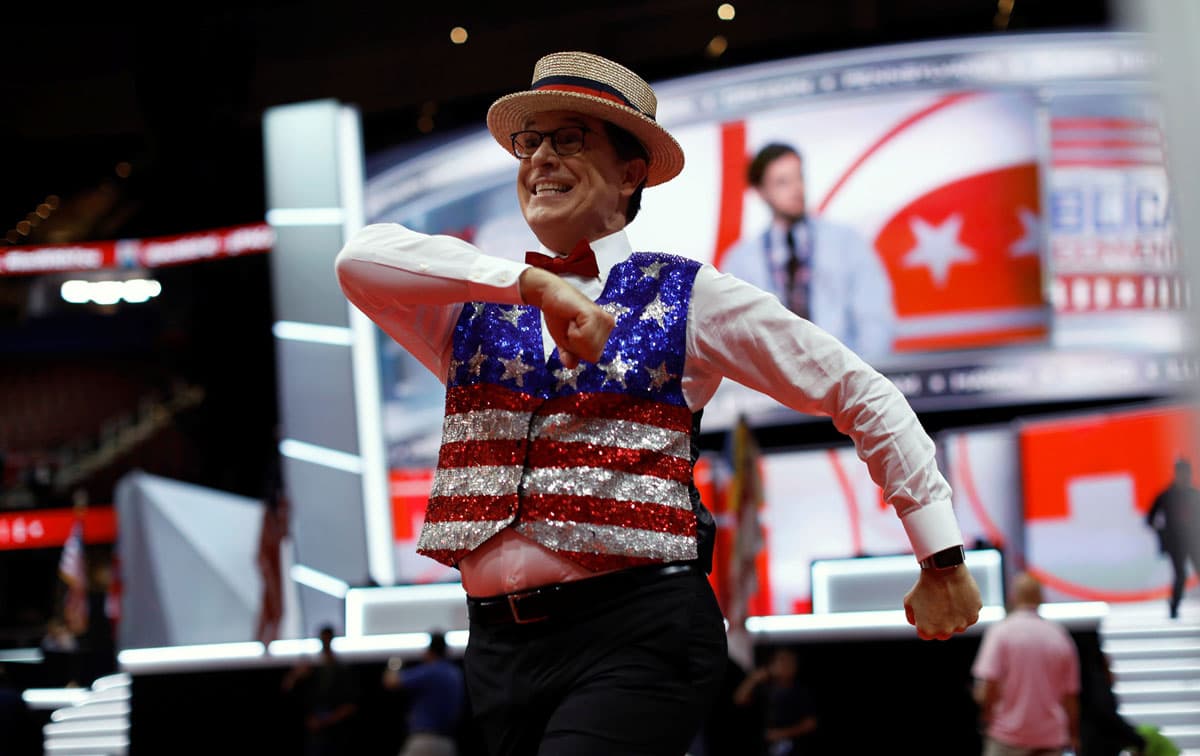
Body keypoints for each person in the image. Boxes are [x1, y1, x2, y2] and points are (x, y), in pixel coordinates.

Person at [335, 50, 982, 756]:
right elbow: (358, 260)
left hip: (639, 632)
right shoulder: (475, 301)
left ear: (631, 170)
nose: (541, 158)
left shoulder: (687, 294)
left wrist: (941, 555)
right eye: (532, 141)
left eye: (570, 138)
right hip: (496, 650)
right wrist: (532, 285)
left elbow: (858, 388)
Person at [718, 142, 896, 359]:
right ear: (760, 191)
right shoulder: (741, 261)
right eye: (782, 182)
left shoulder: (845, 242)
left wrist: (859, 380)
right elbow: (731, 336)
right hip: (771, 387)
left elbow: (874, 320)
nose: (796, 189)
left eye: (799, 178)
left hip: (845, 378)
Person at [972, 573, 1080, 756]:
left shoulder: (1001, 633)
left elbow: (987, 687)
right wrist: (1074, 735)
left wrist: (986, 716)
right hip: (1049, 740)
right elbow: (1070, 696)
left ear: (1013, 597)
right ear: (1041, 598)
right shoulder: (1060, 636)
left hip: (1006, 739)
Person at [383, 630, 466, 756]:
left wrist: (394, 664)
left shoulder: (431, 671)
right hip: (448, 743)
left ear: (429, 652)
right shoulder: (455, 673)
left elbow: (390, 682)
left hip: (425, 741)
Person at [281, 625, 361, 756]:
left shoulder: (342, 670)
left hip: (337, 731)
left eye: (327, 638)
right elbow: (287, 689)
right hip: (314, 731)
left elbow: (351, 704)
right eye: (323, 638)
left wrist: (327, 720)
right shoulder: (310, 669)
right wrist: (295, 675)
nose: (325, 641)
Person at [732, 647, 819, 755]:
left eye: (788, 662)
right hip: (768, 747)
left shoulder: (801, 691)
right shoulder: (767, 689)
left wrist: (782, 733)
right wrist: (754, 679)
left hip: (794, 747)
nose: (784, 666)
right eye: (780, 661)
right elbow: (739, 699)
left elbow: (810, 723)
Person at [1145, 457, 1200, 619]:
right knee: (1180, 576)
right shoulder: (1167, 495)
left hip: (1194, 541)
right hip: (1176, 543)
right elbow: (1150, 519)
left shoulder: (1194, 494)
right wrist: (1163, 534)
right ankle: (1174, 606)